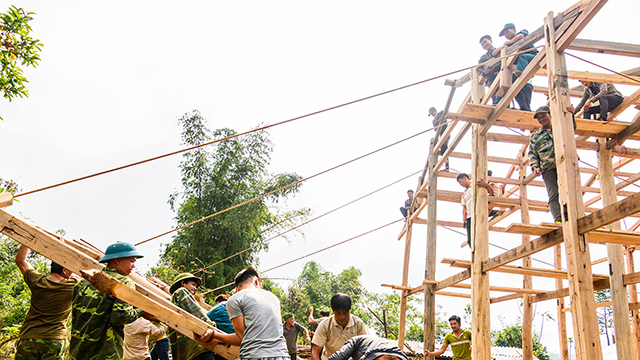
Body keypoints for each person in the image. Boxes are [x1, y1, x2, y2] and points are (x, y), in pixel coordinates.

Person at [70, 242, 147, 360]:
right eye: (131, 261)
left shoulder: (83, 282)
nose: (133, 266)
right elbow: (120, 317)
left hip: (79, 350)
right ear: (116, 260)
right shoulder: (123, 283)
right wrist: (142, 309)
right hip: (105, 352)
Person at [14, 245, 78, 360]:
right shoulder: (73, 286)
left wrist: (28, 240)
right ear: (64, 270)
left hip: (30, 337)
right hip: (55, 340)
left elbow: (20, 260)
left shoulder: (37, 281)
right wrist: (64, 250)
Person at [212, 266, 289, 360]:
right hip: (282, 355)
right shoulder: (273, 297)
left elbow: (240, 338)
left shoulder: (235, 299)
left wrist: (214, 335)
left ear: (237, 289)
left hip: (254, 356)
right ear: (257, 281)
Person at [528, 105, 566, 223]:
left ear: (550, 115)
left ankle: (574, 213)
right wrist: (535, 167)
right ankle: (559, 219)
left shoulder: (560, 127)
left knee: (570, 190)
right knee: (553, 193)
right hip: (548, 167)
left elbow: (572, 127)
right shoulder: (535, 136)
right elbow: (532, 153)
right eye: (539, 118)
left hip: (565, 162)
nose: (541, 119)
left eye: (543, 116)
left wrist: (570, 114)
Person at [169, 272, 217, 360]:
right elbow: (196, 312)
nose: (195, 288)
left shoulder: (174, 299)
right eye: (193, 284)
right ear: (183, 283)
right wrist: (212, 327)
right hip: (195, 348)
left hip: (185, 352)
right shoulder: (181, 291)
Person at [311, 293, 367, 360]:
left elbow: (365, 347)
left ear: (349, 309)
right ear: (332, 309)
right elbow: (315, 351)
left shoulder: (358, 323)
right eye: (338, 312)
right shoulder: (325, 325)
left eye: (345, 312)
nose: (342, 317)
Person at [498, 23, 536, 111]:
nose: (506, 35)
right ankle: (525, 109)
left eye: (507, 31)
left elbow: (520, 37)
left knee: (522, 56)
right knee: (516, 86)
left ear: (514, 29)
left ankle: (526, 108)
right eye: (505, 34)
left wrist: (508, 43)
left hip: (533, 56)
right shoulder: (509, 44)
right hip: (523, 68)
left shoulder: (522, 32)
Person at [457, 173, 494, 247]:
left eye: (460, 181)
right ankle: (477, 258)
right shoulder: (464, 193)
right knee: (471, 241)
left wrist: (486, 185)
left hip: (479, 213)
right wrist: (464, 220)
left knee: (480, 237)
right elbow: (464, 207)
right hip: (470, 216)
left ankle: (484, 257)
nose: (460, 184)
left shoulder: (476, 185)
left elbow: (492, 193)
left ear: (465, 178)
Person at [327, 335, 408, 360]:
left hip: (377, 354)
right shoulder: (381, 340)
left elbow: (337, 357)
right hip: (400, 356)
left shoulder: (354, 341)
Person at [477, 35, 502, 104]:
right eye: (482, 44)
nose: (484, 45)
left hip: (502, 76)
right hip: (492, 79)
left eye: (485, 42)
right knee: (495, 97)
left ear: (490, 40)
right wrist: (484, 72)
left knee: (505, 96)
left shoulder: (500, 50)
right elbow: (478, 69)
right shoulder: (483, 58)